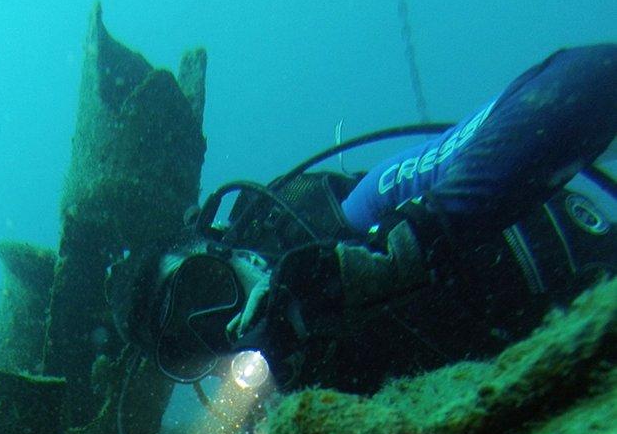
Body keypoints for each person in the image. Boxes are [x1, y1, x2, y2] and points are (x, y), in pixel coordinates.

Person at [108, 44, 617, 396]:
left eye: (205, 291)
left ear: (235, 248)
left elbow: (591, 75)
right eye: (190, 348)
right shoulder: (288, 408)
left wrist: (400, 251)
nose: (221, 327)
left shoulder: (349, 217)